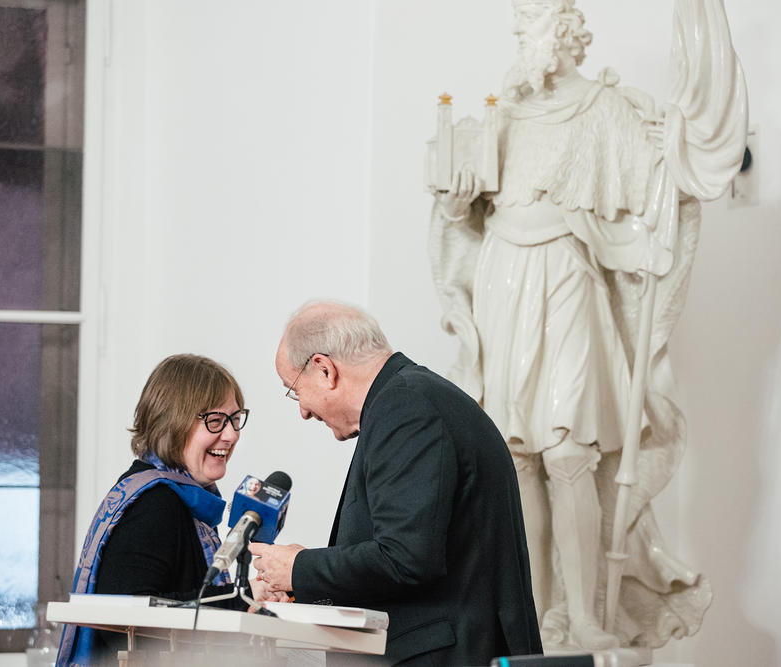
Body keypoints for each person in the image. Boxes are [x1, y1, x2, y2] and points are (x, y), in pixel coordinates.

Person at [428, 0, 744, 652]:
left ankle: (585, 616)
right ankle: (534, 616)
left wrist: (672, 146)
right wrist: (455, 201)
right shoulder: (503, 114)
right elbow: (462, 213)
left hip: (568, 282)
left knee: (570, 453)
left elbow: (658, 187)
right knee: (515, 456)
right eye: (519, 26)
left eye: (532, 24)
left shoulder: (606, 109)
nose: (522, 35)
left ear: (565, 33)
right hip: (503, 283)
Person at [251, 301, 542, 666]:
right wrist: (300, 585)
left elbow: (406, 558)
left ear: (325, 369)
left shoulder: (405, 407)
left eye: (295, 389)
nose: (304, 411)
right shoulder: (414, 398)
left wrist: (299, 568)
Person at [56, 354, 250, 667]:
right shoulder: (155, 503)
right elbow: (129, 621)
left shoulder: (183, 500)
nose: (232, 435)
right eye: (216, 421)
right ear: (174, 422)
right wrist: (240, 599)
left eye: (235, 419)